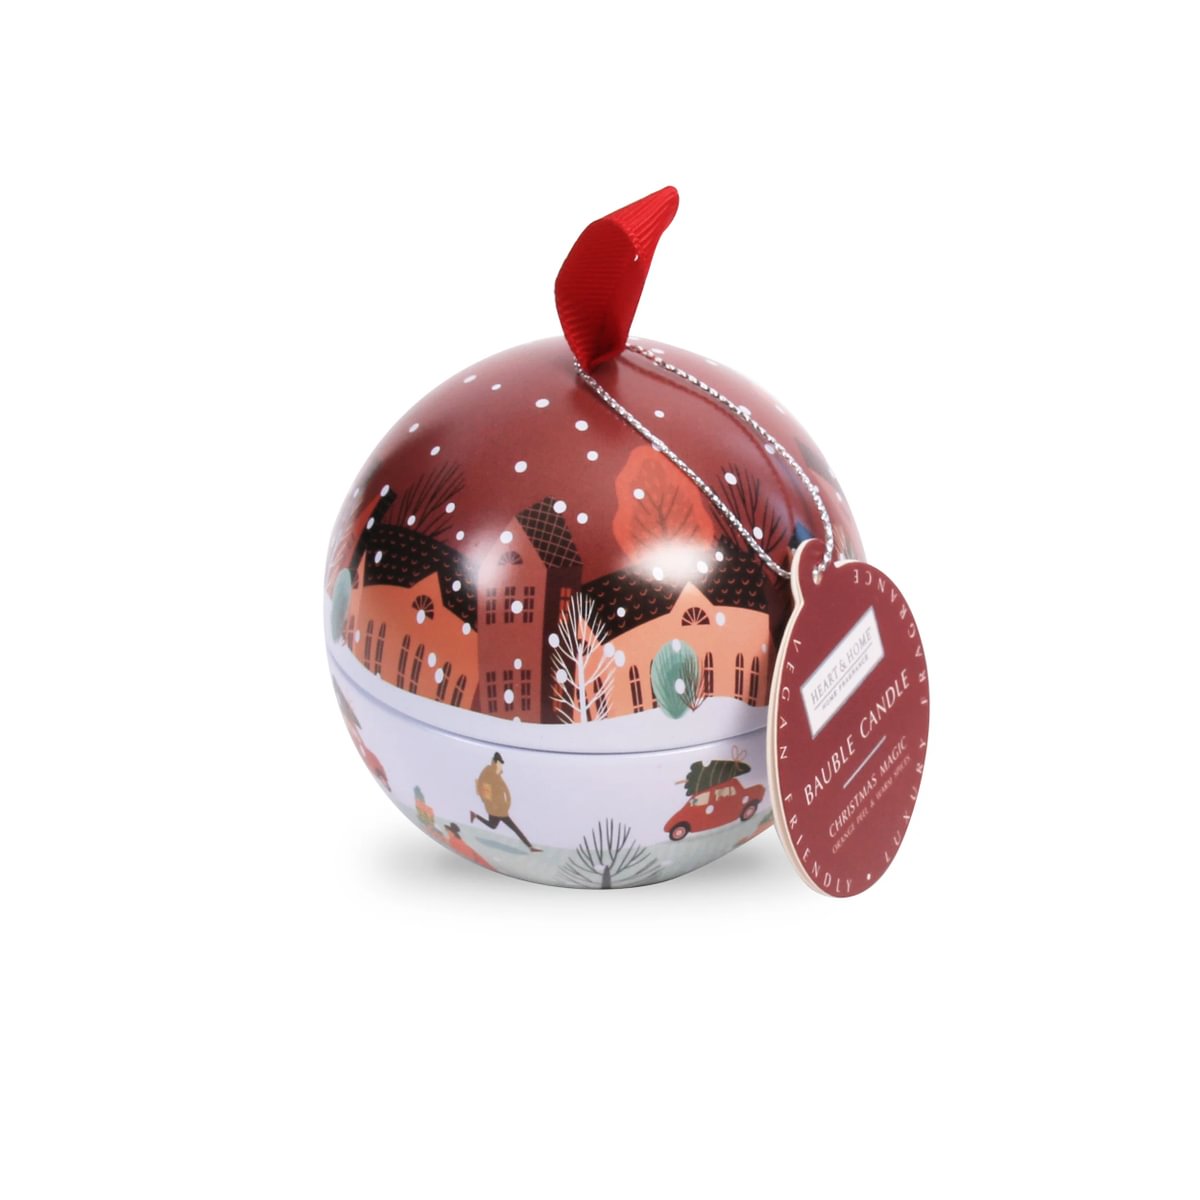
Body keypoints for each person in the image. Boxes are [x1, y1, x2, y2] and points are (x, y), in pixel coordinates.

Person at [470, 752, 540, 851]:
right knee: (510, 827)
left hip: (501, 807)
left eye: (501, 764)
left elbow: (505, 789)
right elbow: (482, 788)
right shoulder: (488, 772)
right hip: (494, 808)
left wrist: (507, 803)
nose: (500, 766)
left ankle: (530, 847)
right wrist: (489, 803)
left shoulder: (497, 775)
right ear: (494, 762)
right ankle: (530, 847)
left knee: (496, 826)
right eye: (499, 763)